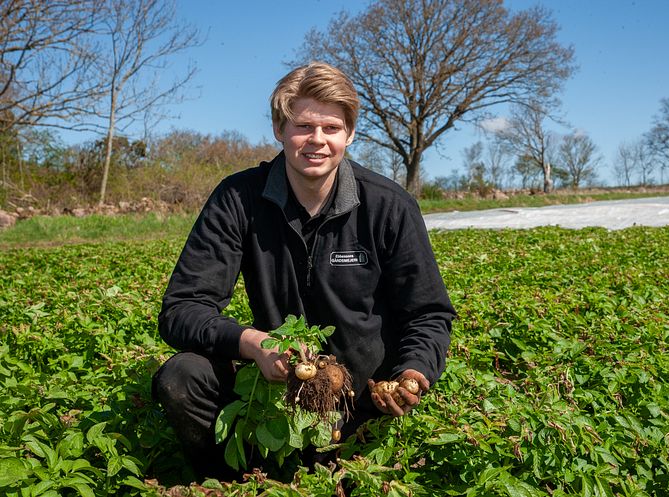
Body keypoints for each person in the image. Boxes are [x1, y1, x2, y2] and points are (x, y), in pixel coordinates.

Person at [152, 61, 455, 481]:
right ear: (279, 129)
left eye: (331, 128)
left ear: (349, 133)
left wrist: (413, 372)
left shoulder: (389, 206)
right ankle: (234, 482)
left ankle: (345, 461)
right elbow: (182, 308)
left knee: (360, 462)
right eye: (302, 126)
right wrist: (254, 344)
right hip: (273, 402)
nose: (317, 140)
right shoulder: (239, 200)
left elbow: (428, 312)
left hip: (362, 402)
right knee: (182, 376)